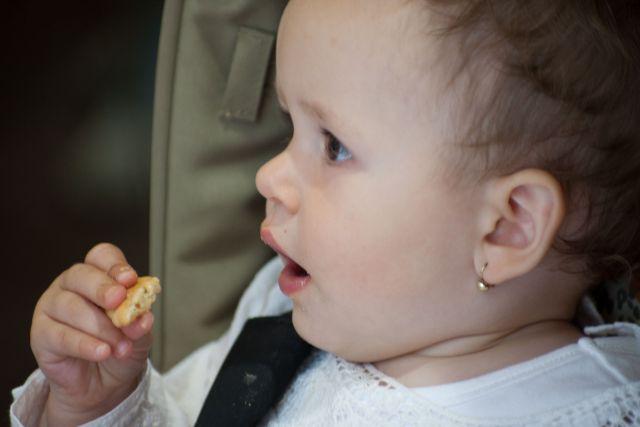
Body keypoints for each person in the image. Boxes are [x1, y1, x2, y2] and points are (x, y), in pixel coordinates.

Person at [11, 0, 640, 425]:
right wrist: (97, 407)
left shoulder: (590, 412)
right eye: (289, 125)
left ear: (506, 227)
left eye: (334, 146)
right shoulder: (280, 316)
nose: (267, 175)